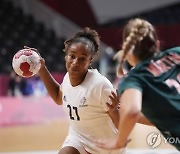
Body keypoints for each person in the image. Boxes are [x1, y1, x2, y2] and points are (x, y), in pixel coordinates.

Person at [26, 28, 126, 154]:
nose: (75, 62)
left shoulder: (100, 86)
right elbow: (58, 97)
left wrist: (114, 112)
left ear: (90, 61)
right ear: (66, 56)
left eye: (82, 58)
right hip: (79, 140)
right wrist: (42, 69)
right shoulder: (67, 78)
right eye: (72, 56)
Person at [96, 18, 180, 151]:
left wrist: (119, 141)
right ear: (157, 44)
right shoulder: (176, 53)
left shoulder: (134, 79)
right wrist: (119, 112)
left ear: (126, 50)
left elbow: (132, 111)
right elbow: (160, 118)